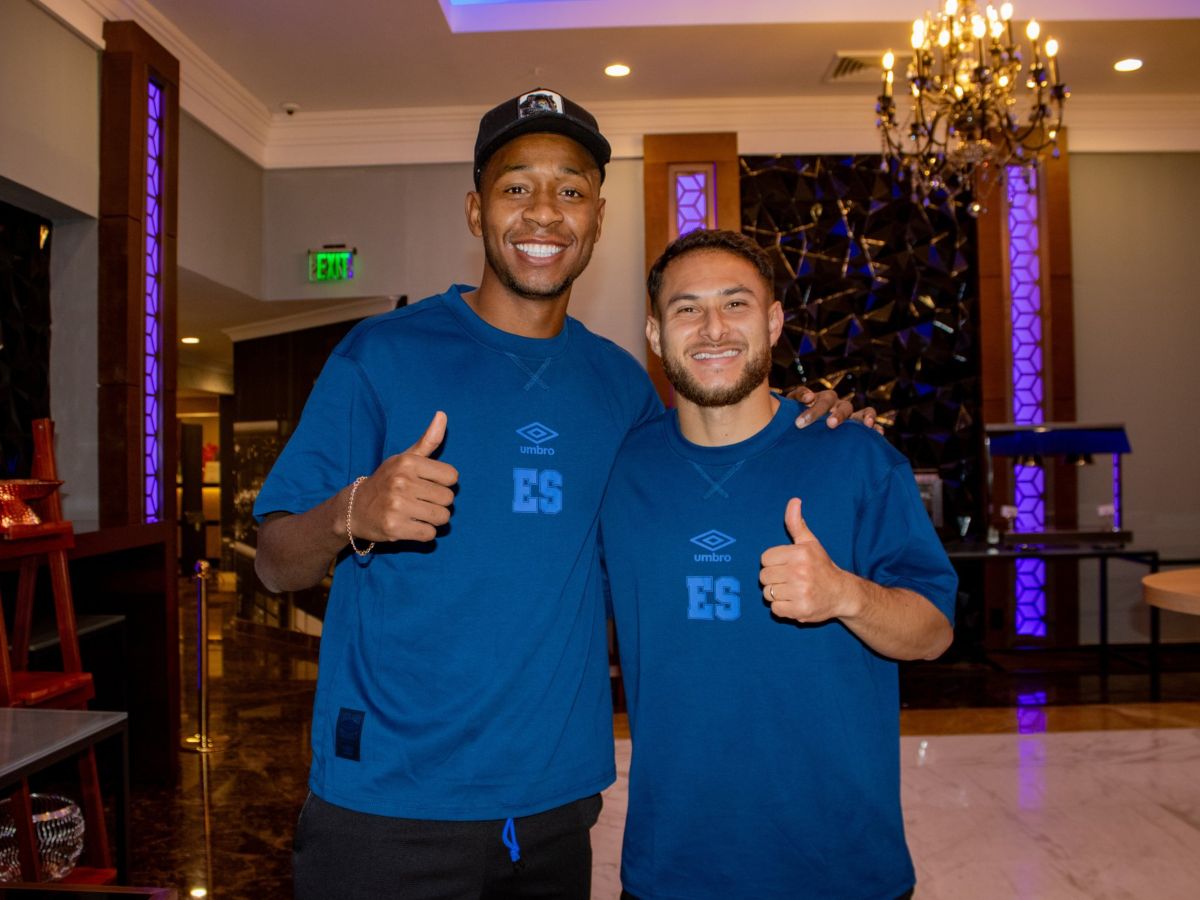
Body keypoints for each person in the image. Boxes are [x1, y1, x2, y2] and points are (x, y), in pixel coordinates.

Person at [253, 89, 866, 899]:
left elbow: (715, 483)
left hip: (553, 811)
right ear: (476, 211)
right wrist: (352, 510)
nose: (545, 212)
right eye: (517, 187)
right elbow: (273, 563)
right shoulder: (381, 355)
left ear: (598, 219)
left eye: (571, 190)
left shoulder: (621, 388)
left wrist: (811, 425)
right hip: (389, 807)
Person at [600, 228, 957, 900]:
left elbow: (934, 632)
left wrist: (847, 596)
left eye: (736, 304)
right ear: (654, 333)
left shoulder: (856, 457)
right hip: (673, 866)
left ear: (772, 321)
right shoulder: (620, 470)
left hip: (842, 867)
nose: (712, 328)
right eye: (686, 308)